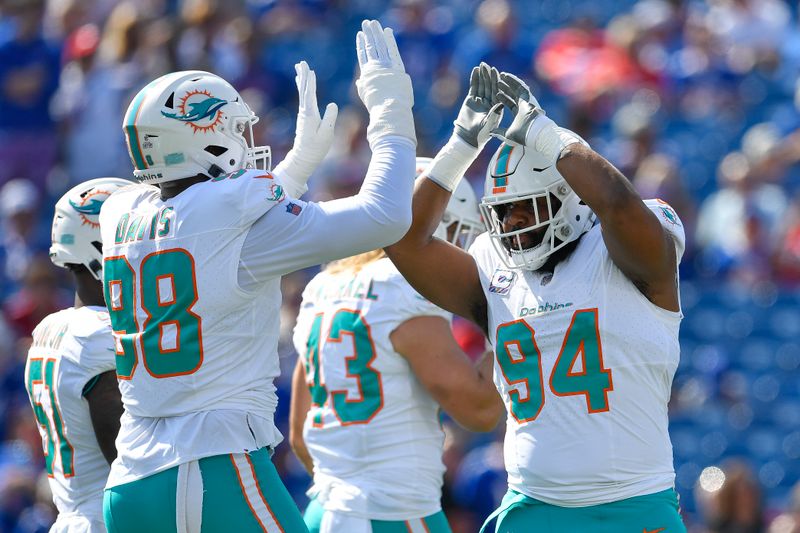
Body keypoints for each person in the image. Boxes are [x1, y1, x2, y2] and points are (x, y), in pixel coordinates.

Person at [99, 20, 417, 532]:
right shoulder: (227, 215)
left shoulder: (122, 213)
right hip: (211, 464)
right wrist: (393, 116)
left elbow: (208, 233)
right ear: (202, 137)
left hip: (130, 480)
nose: (247, 143)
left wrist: (294, 170)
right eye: (233, 130)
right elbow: (385, 215)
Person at [385, 63, 687, 532]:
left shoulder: (624, 242)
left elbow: (618, 206)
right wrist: (461, 145)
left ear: (569, 197)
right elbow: (404, 241)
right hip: (533, 506)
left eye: (525, 209)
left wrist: (548, 136)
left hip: (632, 504)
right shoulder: (492, 263)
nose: (511, 228)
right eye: (502, 215)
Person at [288, 158, 502, 533]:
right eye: (458, 234)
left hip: (324, 510)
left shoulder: (322, 287)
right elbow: (479, 409)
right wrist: (511, 327)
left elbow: (299, 435)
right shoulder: (403, 287)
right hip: (394, 513)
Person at [24, 177, 129, 532]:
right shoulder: (99, 337)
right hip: (110, 519)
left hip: (75, 516)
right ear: (105, 252)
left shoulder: (49, 330)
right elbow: (129, 464)